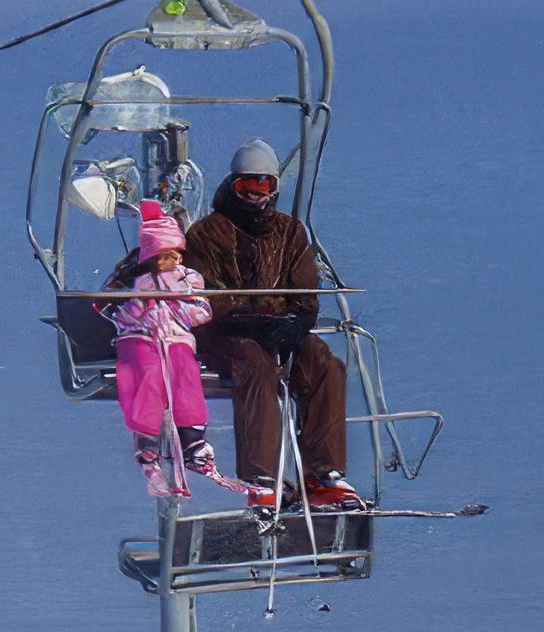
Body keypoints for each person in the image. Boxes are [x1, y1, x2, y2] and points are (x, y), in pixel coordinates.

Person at [181, 139, 360, 511]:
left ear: (275, 188)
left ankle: (321, 474)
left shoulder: (290, 233)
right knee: (256, 365)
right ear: (233, 185)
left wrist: (297, 323)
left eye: (264, 187)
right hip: (224, 333)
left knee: (324, 363)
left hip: (277, 329)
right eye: (247, 186)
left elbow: (305, 293)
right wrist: (255, 320)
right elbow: (209, 297)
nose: (255, 196)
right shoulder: (207, 232)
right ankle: (261, 479)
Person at [106, 200, 228, 502]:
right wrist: (139, 309)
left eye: (176, 254)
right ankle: (147, 434)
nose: (172, 260)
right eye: (165, 255)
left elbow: (202, 310)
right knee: (147, 371)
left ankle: (192, 436)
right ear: (150, 255)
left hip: (176, 339)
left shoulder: (188, 279)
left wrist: (174, 308)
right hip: (141, 339)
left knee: (184, 371)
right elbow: (110, 308)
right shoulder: (134, 280)